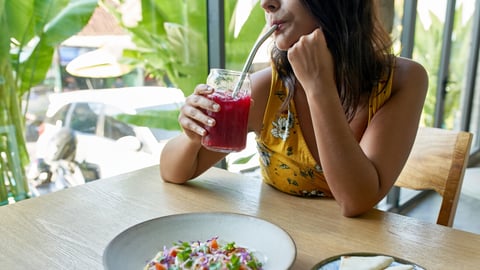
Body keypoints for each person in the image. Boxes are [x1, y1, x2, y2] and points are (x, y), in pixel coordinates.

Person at [160, 0, 428, 217]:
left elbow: (355, 201)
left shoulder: (402, 82)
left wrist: (318, 86)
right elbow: (173, 172)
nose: (265, 4)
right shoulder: (268, 89)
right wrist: (192, 135)